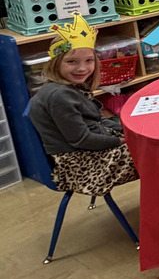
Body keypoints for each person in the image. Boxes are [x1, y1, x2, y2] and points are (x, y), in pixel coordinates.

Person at [28, 13, 138, 196]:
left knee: (148, 146)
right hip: (79, 165)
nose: (82, 68)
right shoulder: (59, 96)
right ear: (56, 63)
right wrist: (120, 140)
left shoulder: (71, 87)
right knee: (154, 155)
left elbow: (97, 121)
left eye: (89, 61)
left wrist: (124, 130)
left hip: (91, 149)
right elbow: (81, 140)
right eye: (72, 61)